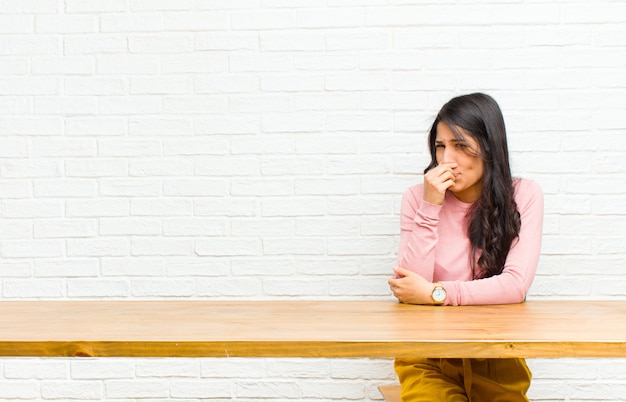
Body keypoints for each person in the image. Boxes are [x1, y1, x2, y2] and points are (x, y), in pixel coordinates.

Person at [388, 93, 543, 401]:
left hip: (497, 353)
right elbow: (409, 288)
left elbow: (514, 286)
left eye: (460, 146)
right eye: (440, 146)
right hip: (428, 355)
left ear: (489, 146)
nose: (447, 159)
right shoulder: (416, 198)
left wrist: (436, 293)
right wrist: (430, 205)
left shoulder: (524, 195)